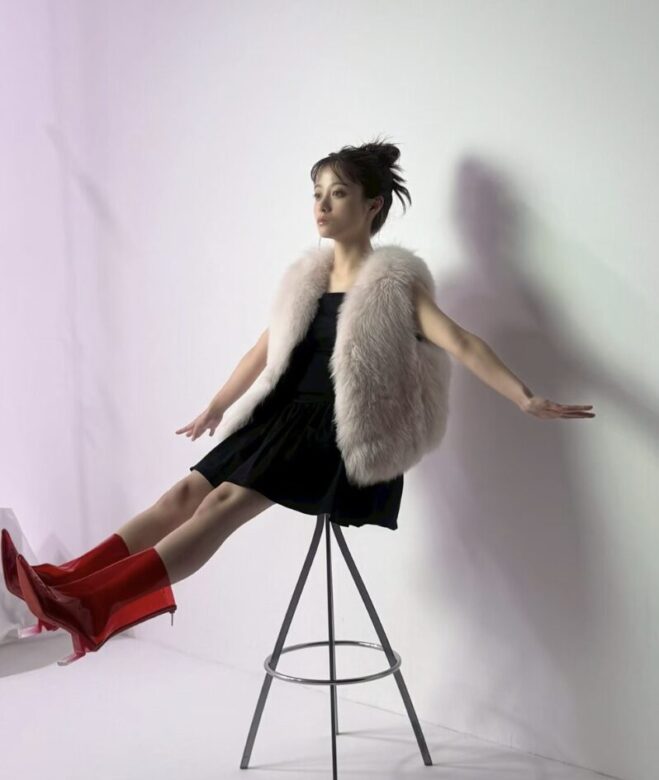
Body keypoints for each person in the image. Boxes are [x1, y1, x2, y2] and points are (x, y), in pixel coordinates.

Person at [1, 137, 595, 666]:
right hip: (280, 420)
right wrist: (217, 405)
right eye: (317, 193)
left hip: (338, 435)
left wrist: (524, 396)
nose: (322, 205)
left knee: (220, 505)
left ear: (372, 206)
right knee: (181, 495)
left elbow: (461, 341)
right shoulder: (307, 280)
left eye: (338, 193)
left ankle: (93, 604)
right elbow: (262, 351)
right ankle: (63, 584)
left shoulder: (394, 285)